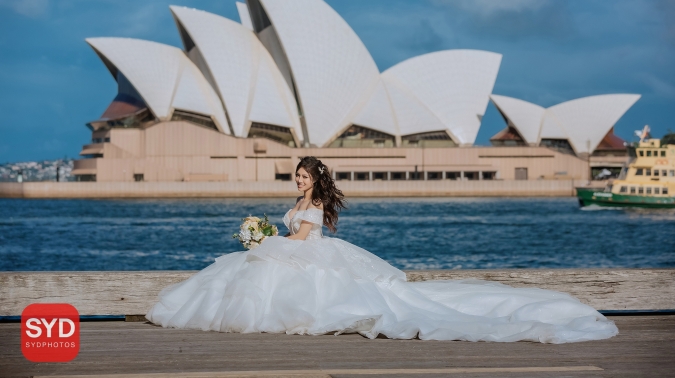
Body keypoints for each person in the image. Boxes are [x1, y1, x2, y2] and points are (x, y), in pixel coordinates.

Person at [146, 156, 618, 343]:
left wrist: (265, 239)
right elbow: (293, 233)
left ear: (317, 180)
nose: (299, 182)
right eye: (297, 176)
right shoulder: (298, 201)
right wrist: (268, 235)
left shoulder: (314, 207)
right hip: (294, 250)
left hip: (306, 254)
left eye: (304, 178)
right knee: (249, 272)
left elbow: (304, 240)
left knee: (279, 283)